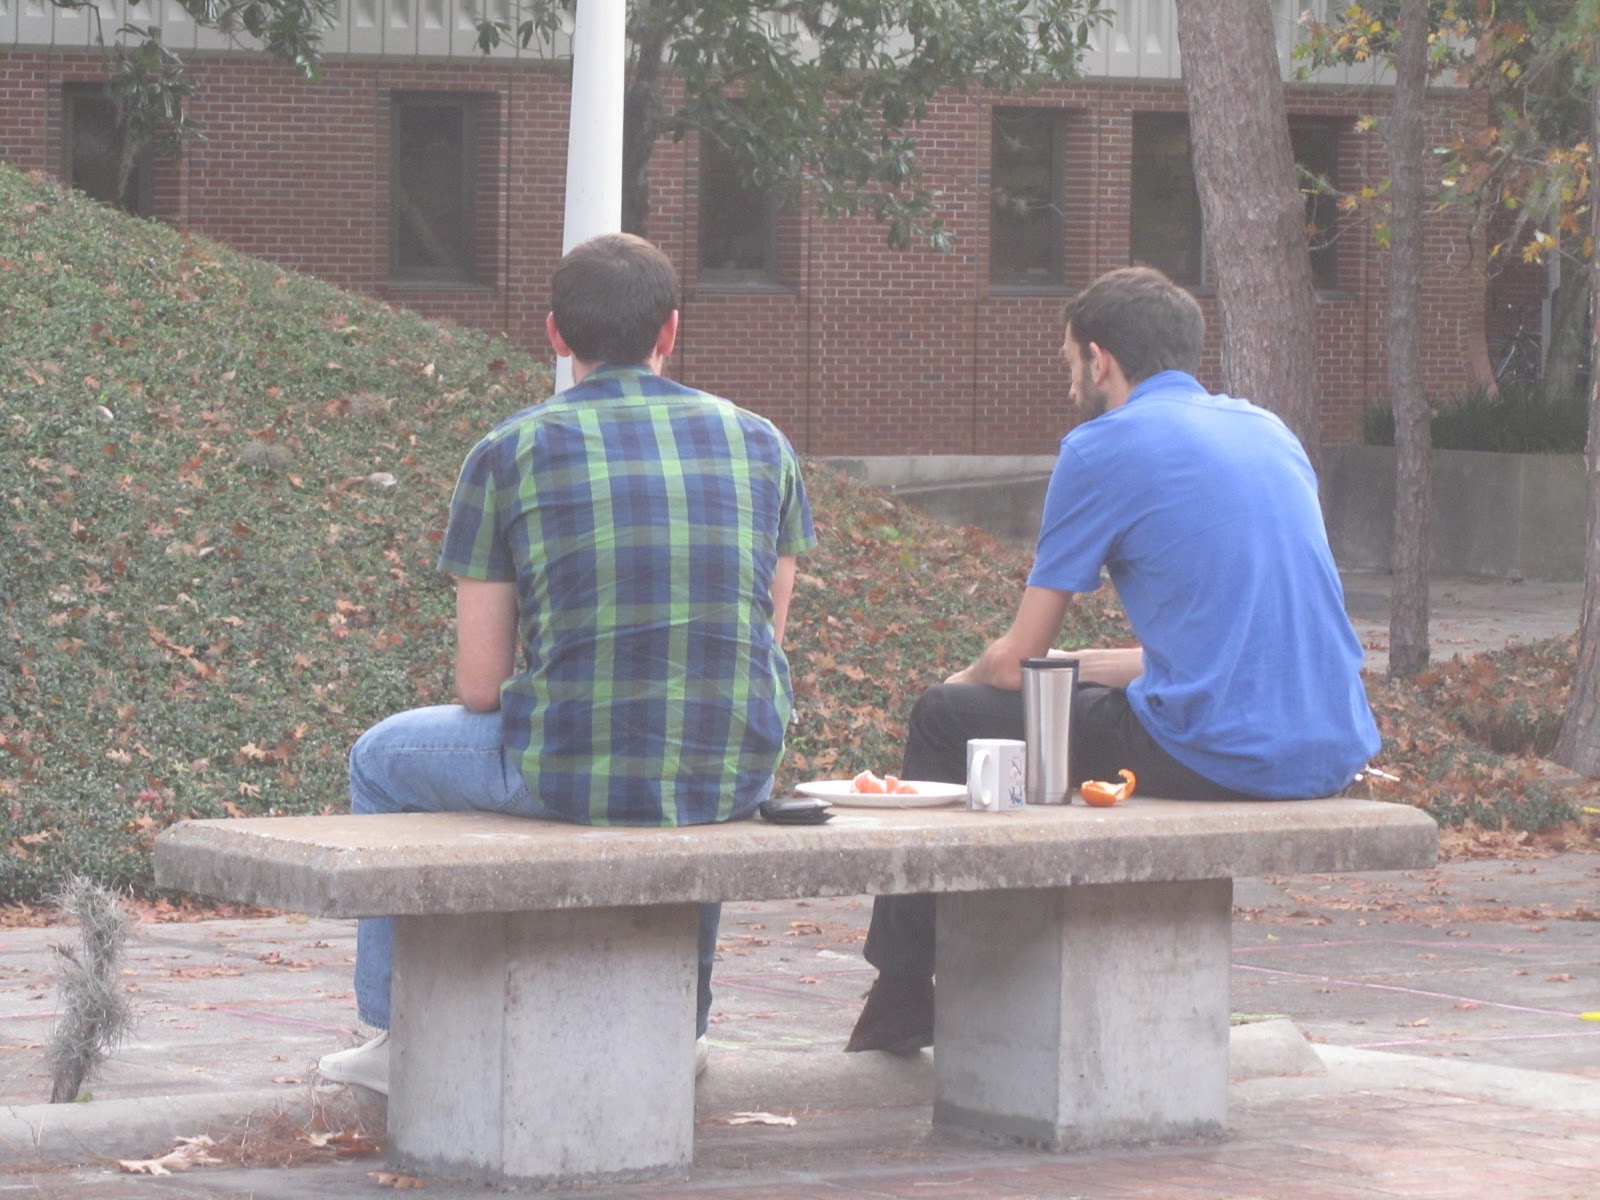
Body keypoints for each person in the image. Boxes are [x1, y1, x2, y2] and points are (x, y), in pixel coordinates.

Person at [317, 232, 816, 1093]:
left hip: (566, 767)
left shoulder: (508, 451)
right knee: (699, 733)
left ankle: (402, 1032)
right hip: (738, 767)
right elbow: (759, 642)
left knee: (381, 760)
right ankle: (681, 1028)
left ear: (555, 334)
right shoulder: (762, 443)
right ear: (671, 330)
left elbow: (478, 687)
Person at [843, 265, 1379, 1055]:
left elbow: (1013, 661)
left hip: (1216, 756)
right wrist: (1081, 662)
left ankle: (901, 994)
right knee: (1045, 705)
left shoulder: (1101, 448)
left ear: (1100, 360)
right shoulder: (1268, 431)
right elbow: (1221, 640)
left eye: (1068, 366)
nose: (1069, 387)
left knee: (945, 718)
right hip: (1329, 748)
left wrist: (959, 681)